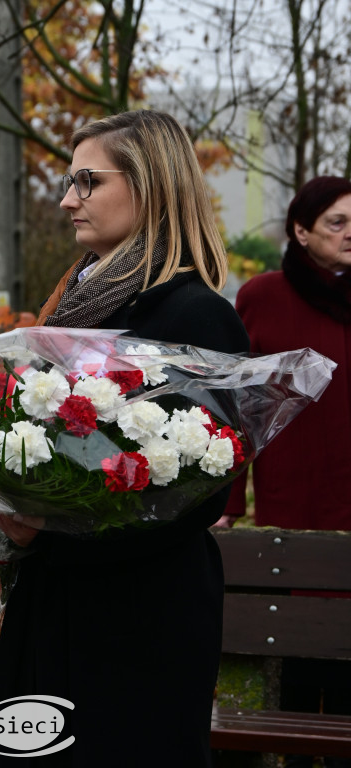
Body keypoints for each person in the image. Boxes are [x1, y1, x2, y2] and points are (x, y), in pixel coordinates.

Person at [0, 109, 249, 767]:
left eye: (87, 181)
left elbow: (199, 496)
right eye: (69, 181)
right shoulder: (79, 302)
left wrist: (42, 525)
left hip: (138, 624)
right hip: (56, 607)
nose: (67, 200)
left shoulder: (196, 313)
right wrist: (1, 510)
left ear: (149, 185)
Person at [224, 175, 351, 768]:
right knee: (299, 675)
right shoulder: (264, 296)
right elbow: (238, 407)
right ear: (300, 231)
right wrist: (226, 501)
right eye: (337, 222)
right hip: (291, 515)